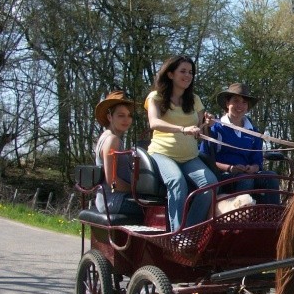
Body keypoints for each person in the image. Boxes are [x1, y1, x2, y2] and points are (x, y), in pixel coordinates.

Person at [145, 55, 217, 232]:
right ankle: (176, 234)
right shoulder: (156, 97)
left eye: (191, 72)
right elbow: (154, 123)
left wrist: (207, 124)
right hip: (162, 154)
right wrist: (183, 129)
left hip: (189, 156)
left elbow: (198, 130)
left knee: (210, 184)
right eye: (183, 71)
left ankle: (189, 231)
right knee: (177, 181)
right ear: (170, 74)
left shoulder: (195, 100)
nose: (188, 75)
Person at [200, 82, 280, 205]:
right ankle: (240, 219)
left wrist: (252, 168)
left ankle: (271, 218)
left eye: (244, 102)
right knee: (245, 180)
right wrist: (230, 168)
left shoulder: (253, 131)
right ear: (227, 103)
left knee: (271, 177)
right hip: (223, 175)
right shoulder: (216, 127)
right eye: (236, 101)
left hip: (247, 175)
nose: (240, 106)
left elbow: (257, 161)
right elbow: (206, 158)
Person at [93, 89, 143, 218]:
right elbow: (112, 182)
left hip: (110, 198)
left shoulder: (107, 137)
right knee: (158, 210)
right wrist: (137, 190)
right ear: (110, 117)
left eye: (129, 115)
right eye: (121, 115)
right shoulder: (112, 140)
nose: (126, 119)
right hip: (113, 200)